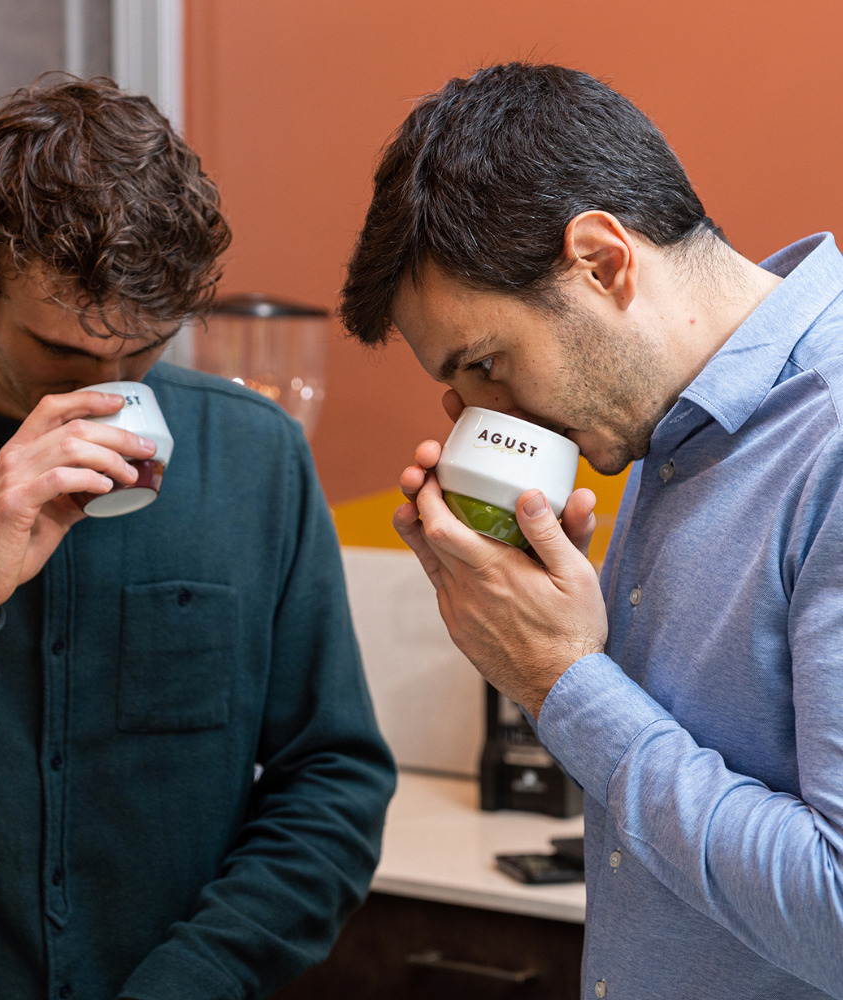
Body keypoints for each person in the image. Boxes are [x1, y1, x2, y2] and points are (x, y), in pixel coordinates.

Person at [0, 74, 394, 1000]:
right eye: (64, 351)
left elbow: (330, 786)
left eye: (144, 349)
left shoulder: (255, 458)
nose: (107, 384)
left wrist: (195, 979)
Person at [339, 61, 843, 999]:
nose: (479, 415)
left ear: (604, 261)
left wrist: (561, 680)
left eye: (486, 363)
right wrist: (537, 632)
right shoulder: (663, 428)